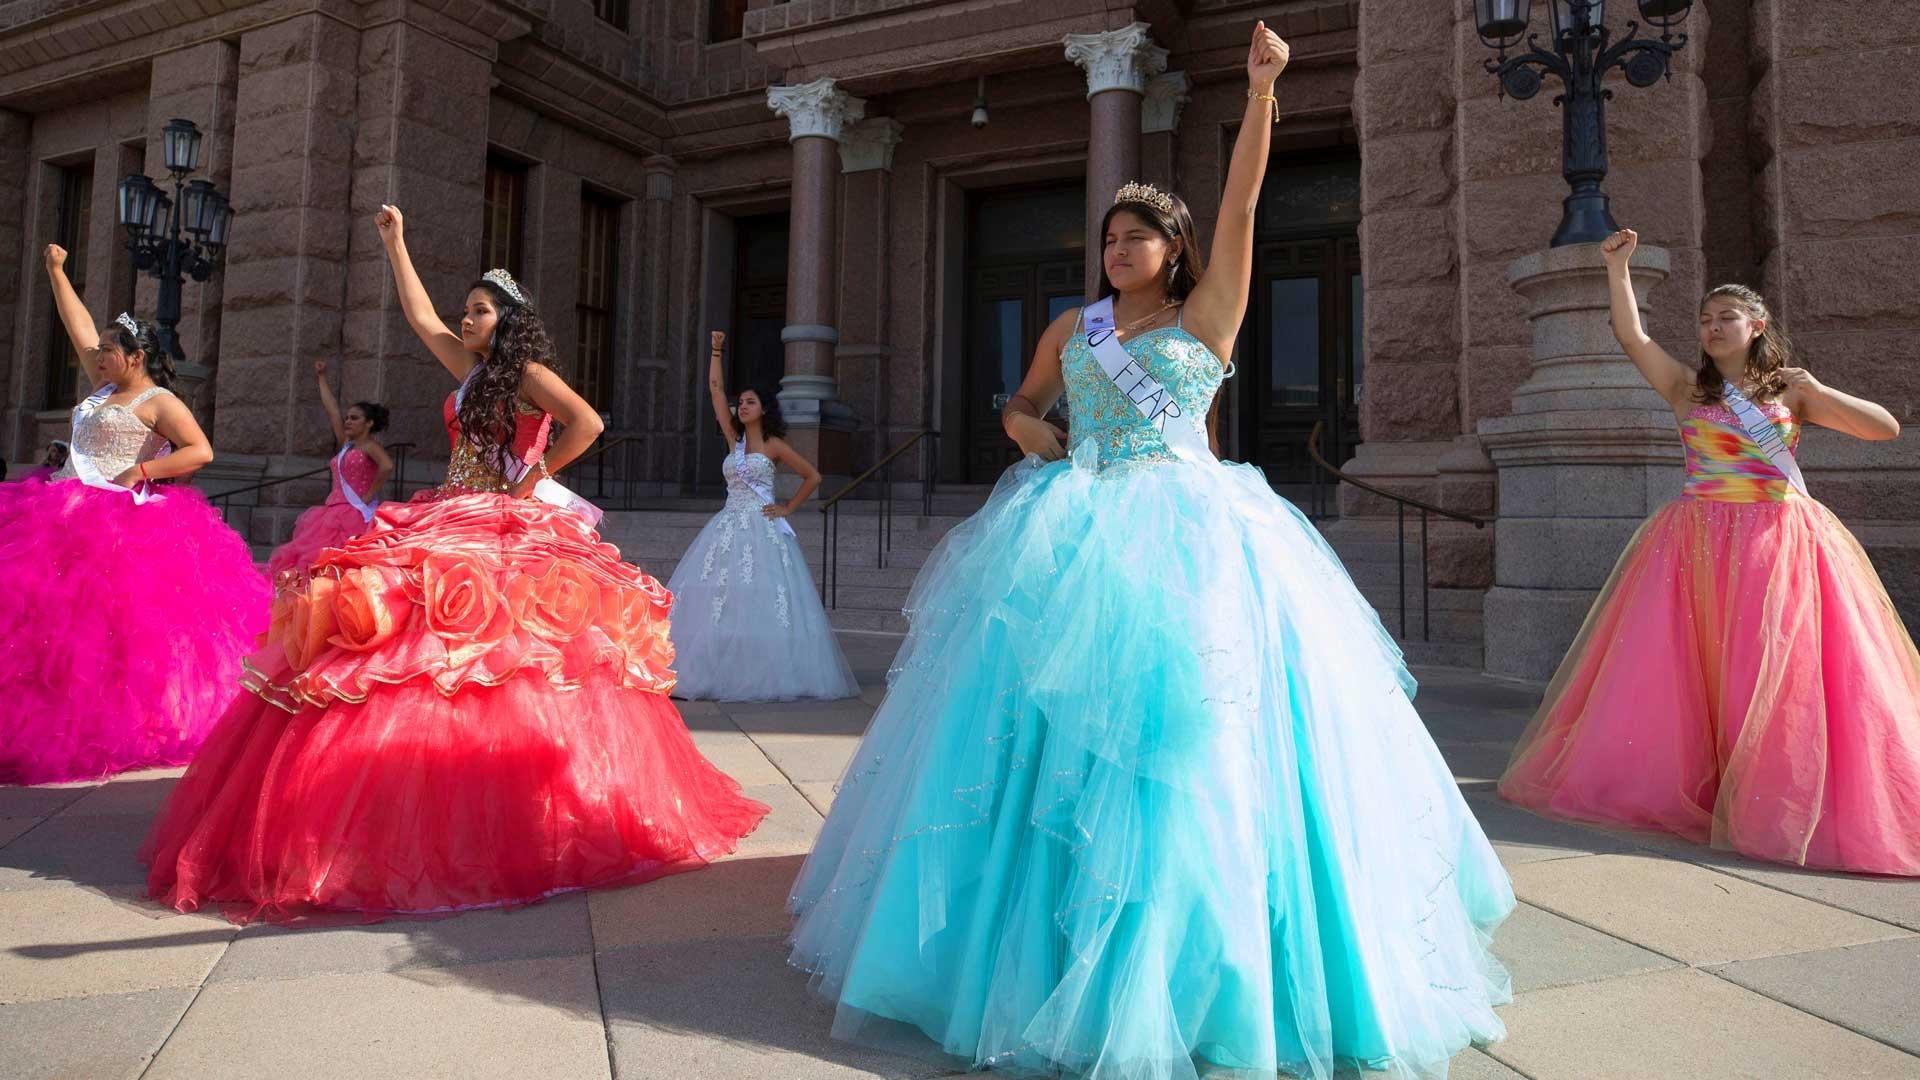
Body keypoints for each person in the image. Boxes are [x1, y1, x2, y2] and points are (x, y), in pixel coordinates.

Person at [787, 23, 1513, 1080]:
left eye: (1138, 237)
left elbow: (1245, 206)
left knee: (1188, 741)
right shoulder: (1072, 330)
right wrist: (1040, 439)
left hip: (1192, 533)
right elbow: (1023, 410)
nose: (1119, 250)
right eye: (1110, 238)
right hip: (1074, 527)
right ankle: (1032, 943)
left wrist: (1263, 92)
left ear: (1173, 250)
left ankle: (1196, 958)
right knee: (1042, 738)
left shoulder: (1209, 315)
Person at [143, 206, 769, 922]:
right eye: (466, 310)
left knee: (511, 661)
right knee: (408, 647)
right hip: (453, 508)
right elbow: (418, 318)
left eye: (478, 311)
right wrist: (396, 242)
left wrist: (533, 477)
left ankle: (528, 813)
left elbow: (588, 422)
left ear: (506, 320)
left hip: (506, 518)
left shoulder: (526, 371)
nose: (465, 320)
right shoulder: (470, 372)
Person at [1499, 228, 1920, 876]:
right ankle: (1716, 789)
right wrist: (1618, 270)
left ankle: (1776, 804)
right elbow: (1632, 338)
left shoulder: (1790, 391)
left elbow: (1884, 428)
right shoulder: (1685, 391)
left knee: (1773, 675)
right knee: (1704, 676)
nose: (1713, 325)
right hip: (1694, 545)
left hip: (1777, 544)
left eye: (1727, 315)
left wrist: (1818, 390)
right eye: (1704, 318)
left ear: (1757, 325)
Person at [0, 245, 268, 784]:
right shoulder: (102, 388)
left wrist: (141, 474)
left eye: (108, 350)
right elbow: (77, 326)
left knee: (111, 626)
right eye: (97, 350)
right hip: (58, 504)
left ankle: (116, 721)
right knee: (41, 621)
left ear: (136, 355)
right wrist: (56, 273)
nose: (98, 356)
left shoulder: (158, 400)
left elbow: (201, 451)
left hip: (115, 518)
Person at [665, 330, 859, 702]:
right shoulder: (732, 441)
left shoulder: (774, 445)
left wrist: (787, 507)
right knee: (719, 597)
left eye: (750, 402)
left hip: (762, 527)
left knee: (761, 598)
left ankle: (762, 672)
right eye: (741, 403)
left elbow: (812, 476)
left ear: (764, 408)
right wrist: (716, 350)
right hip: (726, 526)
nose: (742, 407)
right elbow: (716, 391)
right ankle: (713, 668)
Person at [264, 359, 393, 580]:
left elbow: (387, 466)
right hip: (331, 511)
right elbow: (332, 411)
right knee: (315, 560)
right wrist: (321, 378)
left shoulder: (370, 446)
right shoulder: (346, 443)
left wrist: (370, 494)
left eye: (355, 418)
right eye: (348, 418)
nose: (348, 421)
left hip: (355, 512)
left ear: (369, 423)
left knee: (344, 562)